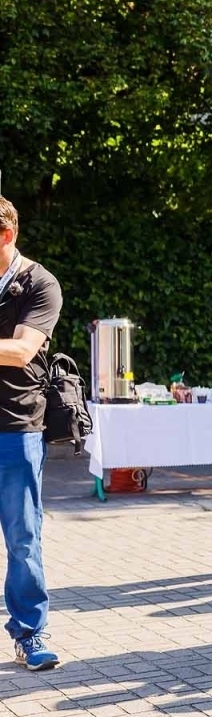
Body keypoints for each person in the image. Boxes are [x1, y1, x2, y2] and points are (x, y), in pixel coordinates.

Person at [0, 197, 64, 670]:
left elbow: (22, 351)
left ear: (6, 235)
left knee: (23, 538)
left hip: (15, 427)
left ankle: (30, 633)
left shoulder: (39, 283)